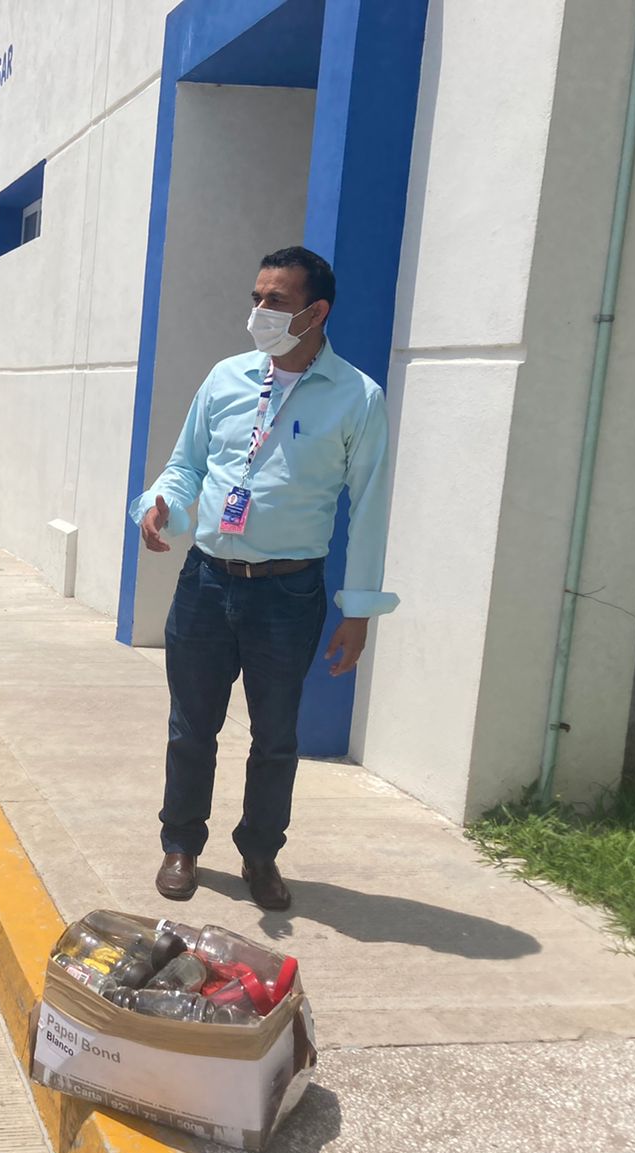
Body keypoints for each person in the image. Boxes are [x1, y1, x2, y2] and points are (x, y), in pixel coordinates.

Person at [130, 246, 397, 912]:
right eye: (256, 298)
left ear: (316, 311)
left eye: (276, 301)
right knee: (191, 727)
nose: (259, 312)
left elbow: (370, 508)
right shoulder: (226, 378)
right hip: (206, 582)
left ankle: (260, 854)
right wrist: (162, 506)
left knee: (275, 738)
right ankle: (181, 844)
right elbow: (187, 466)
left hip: (288, 593)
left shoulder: (357, 397)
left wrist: (358, 611)